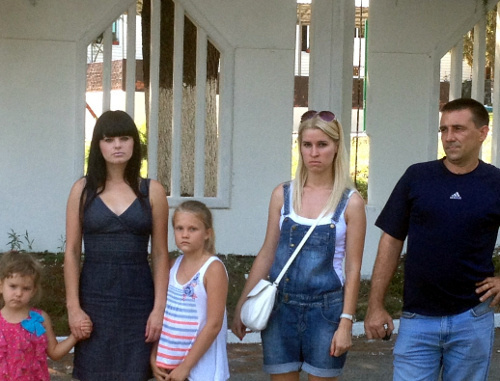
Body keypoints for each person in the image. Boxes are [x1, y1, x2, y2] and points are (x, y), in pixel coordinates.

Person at [364, 98, 500, 381]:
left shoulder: (495, 182)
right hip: (417, 319)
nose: (449, 137)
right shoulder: (418, 177)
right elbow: (390, 241)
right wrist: (375, 306)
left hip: (472, 318)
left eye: (459, 129)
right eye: (444, 130)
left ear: (483, 133)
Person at [232, 110, 366, 380]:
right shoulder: (282, 195)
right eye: (307, 145)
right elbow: (267, 252)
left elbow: (353, 268)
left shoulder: (350, 202)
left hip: (326, 312)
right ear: (300, 148)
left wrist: (346, 322)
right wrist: (241, 305)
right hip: (281, 310)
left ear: (337, 147)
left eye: (322, 145)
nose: (314, 153)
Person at [64, 110, 170, 380]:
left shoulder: (152, 191)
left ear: (135, 143)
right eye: (109, 139)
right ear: (98, 145)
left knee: (136, 373)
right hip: (94, 298)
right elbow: (73, 252)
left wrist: (159, 310)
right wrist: (73, 308)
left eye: (124, 138)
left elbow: (159, 254)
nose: (118, 145)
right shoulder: (82, 190)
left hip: (138, 300)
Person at [151, 200, 230, 381]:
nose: (184, 234)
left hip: (204, 371)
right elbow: (164, 315)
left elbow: (214, 325)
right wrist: (154, 355)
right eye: (179, 228)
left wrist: (186, 367)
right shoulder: (172, 266)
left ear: (207, 234)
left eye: (192, 229)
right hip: (170, 366)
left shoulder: (213, 269)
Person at [0, 251, 92, 380]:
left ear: (34, 291)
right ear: (1, 285)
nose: (19, 293)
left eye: (26, 288)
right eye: (13, 286)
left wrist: (75, 335)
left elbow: (54, 352)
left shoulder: (40, 319)